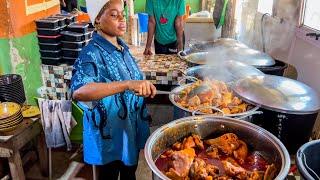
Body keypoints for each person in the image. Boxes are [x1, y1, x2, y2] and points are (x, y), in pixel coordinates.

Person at [71, 0, 157, 179]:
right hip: (111, 134)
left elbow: (132, 81)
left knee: (129, 172)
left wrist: (142, 86)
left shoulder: (121, 47)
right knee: (109, 175)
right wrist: (127, 84)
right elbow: (80, 91)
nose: (122, 19)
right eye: (113, 14)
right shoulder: (91, 53)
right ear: (97, 20)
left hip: (128, 130)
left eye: (122, 14)